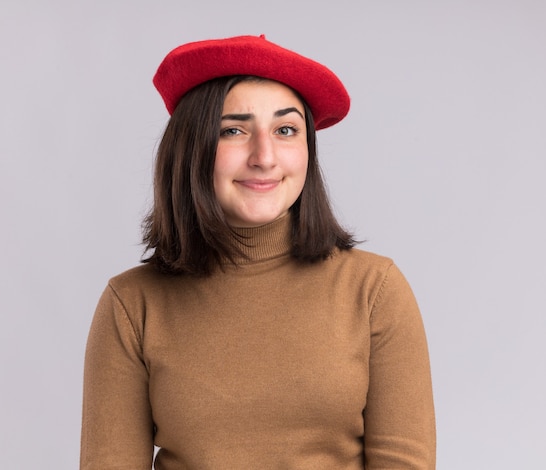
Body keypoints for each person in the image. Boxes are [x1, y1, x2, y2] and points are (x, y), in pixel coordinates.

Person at [80, 34, 436, 469]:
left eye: (286, 130)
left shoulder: (374, 290)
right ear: (191, 149)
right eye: (234, 130)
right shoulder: (132, 304)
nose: (264, 157)